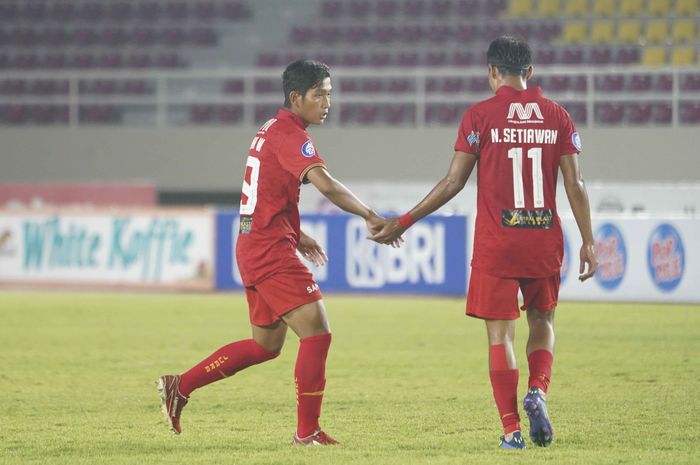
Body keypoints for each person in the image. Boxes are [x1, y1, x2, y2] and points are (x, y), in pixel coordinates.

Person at [370, 36, 597, 449]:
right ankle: (538, 391)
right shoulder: (558, 117)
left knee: (500, 336)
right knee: (542, 322)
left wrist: (404, 221)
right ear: (530, 72)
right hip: (543, 239)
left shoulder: (480, 117)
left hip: (498, 241)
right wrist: (589, 241)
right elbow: (575, 182)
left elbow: (453, 182)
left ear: (492, 72)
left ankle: (512, 431)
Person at [158, 59, 394, 446]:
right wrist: (369, 214)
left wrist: (296, 233)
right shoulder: (290, 135)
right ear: (295, 97)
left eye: (329, 95)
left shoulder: (270, 128)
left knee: (265, 345)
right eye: (319, 95)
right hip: (268, 250)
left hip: (258, 243)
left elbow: (266, 192)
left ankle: (180, 386)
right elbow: (327, 185)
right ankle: (308, 432)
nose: (326, 102)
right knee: (317, 333)